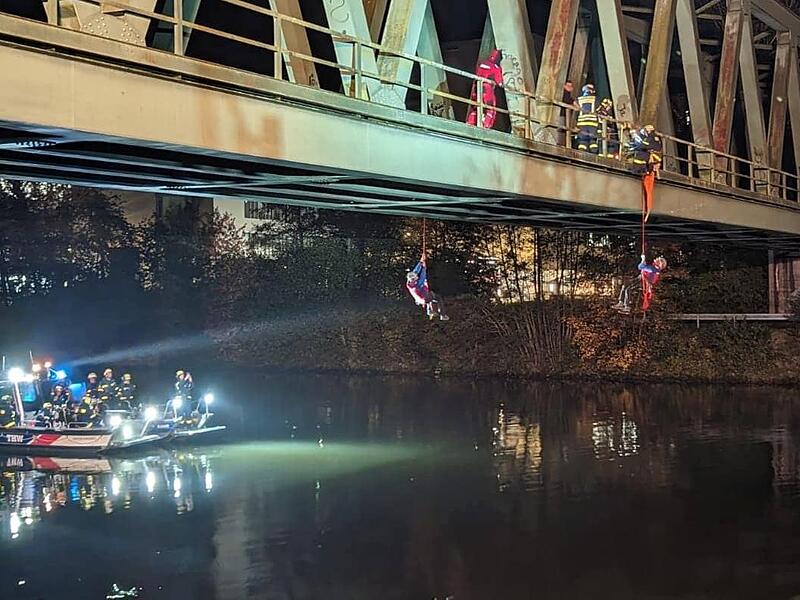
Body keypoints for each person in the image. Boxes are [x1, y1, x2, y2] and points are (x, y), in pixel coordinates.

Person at [466, 49, 504, 130]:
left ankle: (470, 123)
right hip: (487, 89)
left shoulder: (482, 63)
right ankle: (486, 126)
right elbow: (500, 83)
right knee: (490, 109)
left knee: (476, 107)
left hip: (476, 88)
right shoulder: (495, 67)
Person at [406, 254, 450, 321]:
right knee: (437, 298)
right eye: (416, 278)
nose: (417, 277)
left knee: (430, 295)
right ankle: (442, 315)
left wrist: (421, 261)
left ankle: (430, 311)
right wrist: (424, 268)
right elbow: (423, 278)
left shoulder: (409, 282)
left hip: (421, 298)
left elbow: (416, 271)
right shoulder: (417, 286)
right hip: (423, 298)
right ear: (414, 280)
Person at [575, 84, 599, 153]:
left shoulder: (579, 99)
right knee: (593, 141)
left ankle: (581, 154)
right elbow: (599, 110)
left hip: (582, 123)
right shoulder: (595, 99)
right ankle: (594, 154)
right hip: (592, 123)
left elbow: (576, 111)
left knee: (582, 141)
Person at [559, 80, 578, 145]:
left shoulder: (568, 95)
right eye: (568, 85)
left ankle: (564, 144)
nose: (569, 87)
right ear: (564, 86)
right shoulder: (563, 94)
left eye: (570, 86)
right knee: (562, 130)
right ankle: (561, 144)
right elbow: (566, 100)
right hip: (561, 115)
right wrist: (573, 104)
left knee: (565, 130)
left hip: (566, 116)